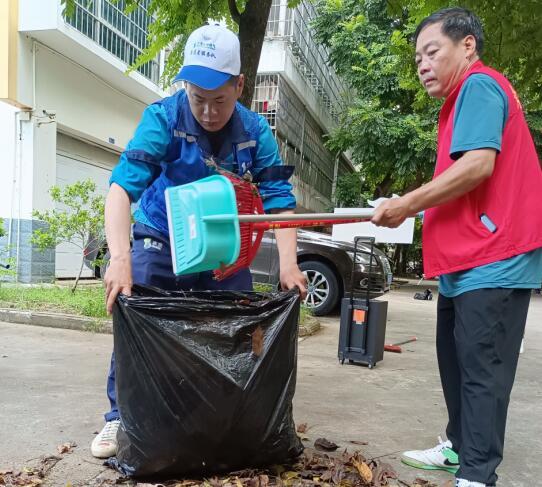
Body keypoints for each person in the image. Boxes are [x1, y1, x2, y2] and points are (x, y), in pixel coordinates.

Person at [91, 23, 307, 459]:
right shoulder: (164, 118)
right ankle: (119, 418)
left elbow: (280, 202)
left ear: (240, 85)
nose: (208, 112)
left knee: (237, 330)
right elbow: (120, 190)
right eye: (198, 99)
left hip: (222, 249)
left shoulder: (253, 132)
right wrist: (119, 259)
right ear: (185, 87)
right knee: (134, 311)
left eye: (220, 101)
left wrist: (289, 264)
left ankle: (219, 415)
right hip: (161, 238)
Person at [372, 8, 542, 487]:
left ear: (467, 46)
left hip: (496, 257)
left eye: (432, 52)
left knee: (482, 372)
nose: (422, 64)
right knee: (455, 361)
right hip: (466, 261)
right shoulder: (457, 103)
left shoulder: (480, 86)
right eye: (418, 58)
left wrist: (405, 204)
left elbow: (477, 167)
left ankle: (476, 475)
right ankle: (459, 447)